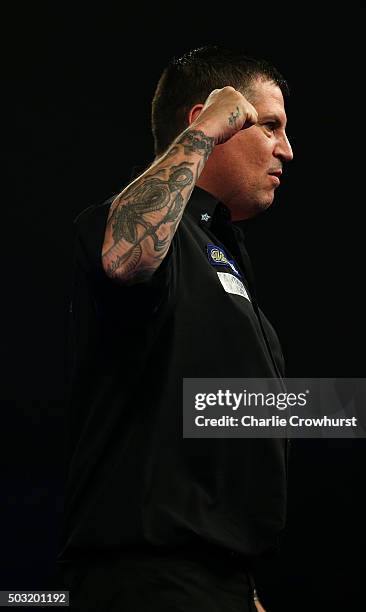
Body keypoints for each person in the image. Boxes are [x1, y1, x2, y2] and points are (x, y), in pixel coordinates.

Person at [55, 45, 294, 611]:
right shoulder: (151, 236)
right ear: (212, 120)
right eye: (270, 125)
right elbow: (125, 259)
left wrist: (245, 585)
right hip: (144, 580)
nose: (287, 148)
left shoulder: (228, 262)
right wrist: (208, 130)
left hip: (223, 583)